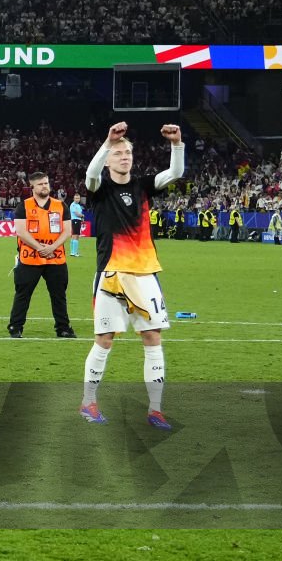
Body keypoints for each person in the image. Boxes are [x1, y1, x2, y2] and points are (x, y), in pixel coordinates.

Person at [80, 121, 185, 428]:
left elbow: (175, 173)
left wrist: (176, 144)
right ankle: (88, 403)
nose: (124, 156)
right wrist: (107, 141)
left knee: (153, 338)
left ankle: (155, 409)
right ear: (108, 159)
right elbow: (90, 175)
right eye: (118, 153)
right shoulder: (99, 189)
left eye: (127, 152)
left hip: (144, 273)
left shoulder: (141, 186)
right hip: (111, 273)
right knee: (104, 339)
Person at [7, 171, 76, 339]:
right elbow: (21, 232)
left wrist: (52, 247)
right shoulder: (24, 206)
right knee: (23, 294)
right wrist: (40, 248)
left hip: (56, 257)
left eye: (46, 183)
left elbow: (67, 231)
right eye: (41, 184)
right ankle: (15, 327)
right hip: (30, 258)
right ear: (32, 187)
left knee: (59, 295)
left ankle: (63, 328)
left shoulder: (61, 205)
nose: (45, 186)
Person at [68, 192, 85, 257]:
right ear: (73, 198)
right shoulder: (73, 205)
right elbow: (77, 214)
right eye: (76, 198)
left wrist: (82, 218)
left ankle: (72, 252)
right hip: (75, 221)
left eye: (78, 198)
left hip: (77, 221)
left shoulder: (78, 205)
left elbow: (79, 214)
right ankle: (75, 252)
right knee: (76, 236)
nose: (77, 199)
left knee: (74, 236)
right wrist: (82, 216)